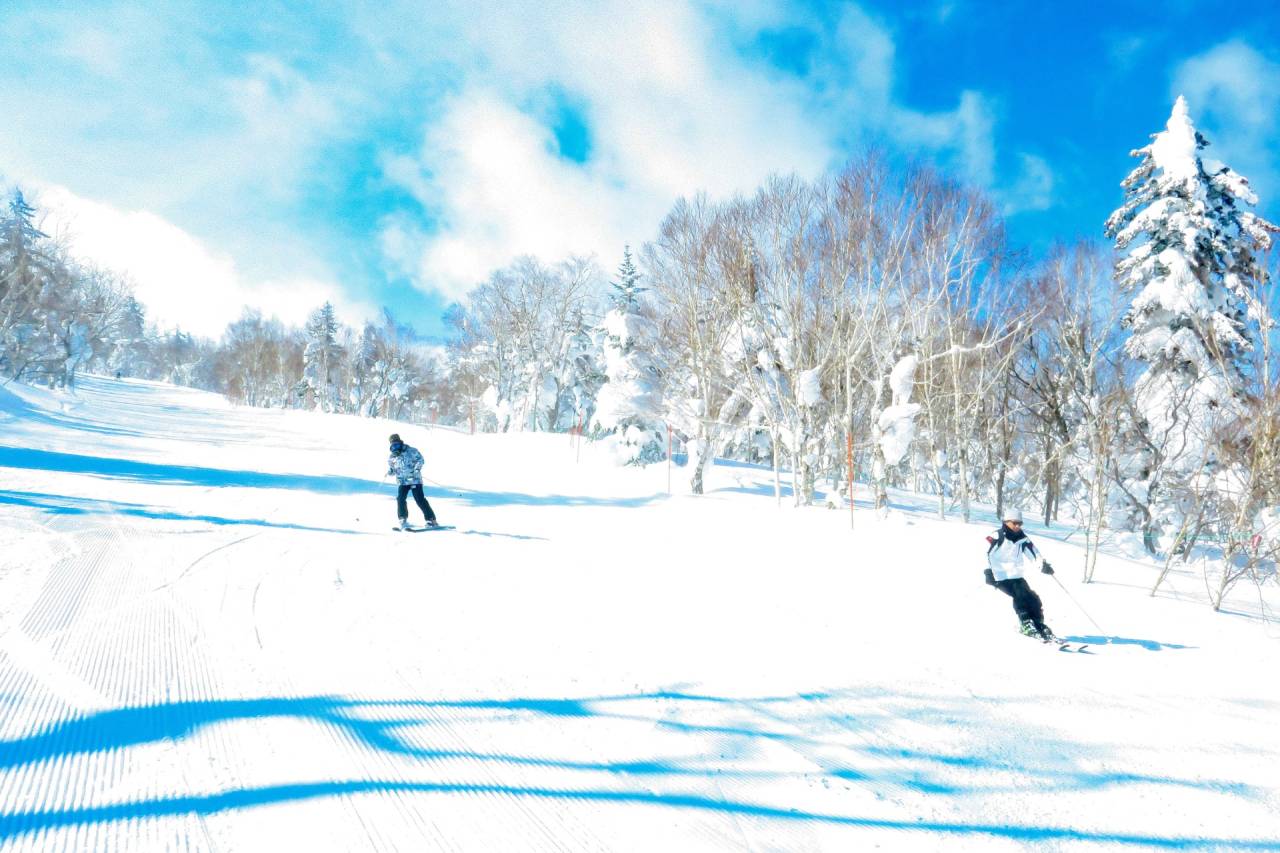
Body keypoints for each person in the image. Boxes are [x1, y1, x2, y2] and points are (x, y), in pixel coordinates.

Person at [983, 509, 1057, 641]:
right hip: (999, 575)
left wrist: (1042, 565)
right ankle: (1026, 623)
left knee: (1032, 597)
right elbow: (984, 553)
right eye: (1014, 523)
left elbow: (1033, 553)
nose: (1017, 526)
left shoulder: (1022, 538)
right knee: (1020, 594)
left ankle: (1038, 623)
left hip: (1016, 575)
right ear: (1006, 522)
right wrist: (988, 572)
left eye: (1020, 523)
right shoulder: (996, 536)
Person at [386, 433, 439, 530]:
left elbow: (421, 460)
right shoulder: (392, 457)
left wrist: (416, 469)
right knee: (400, 499)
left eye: (397, 444)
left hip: (415, 480)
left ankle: (431, 520)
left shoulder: (411, 451)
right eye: (393, 445)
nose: (395, 447)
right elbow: (393, 468)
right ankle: (402, 519)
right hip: (402, 481)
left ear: (401, 442)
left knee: (419, 499)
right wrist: (391, 471)